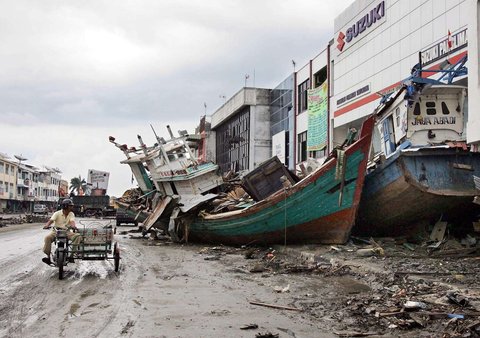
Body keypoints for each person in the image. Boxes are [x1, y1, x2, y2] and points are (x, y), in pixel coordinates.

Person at [42, 198, 81, 265]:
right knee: (47, 238)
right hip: (56, 231)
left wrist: (73, 226)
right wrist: (46, 225)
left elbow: (72, 221)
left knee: (78, 236)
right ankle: (48, 257)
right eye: (70, 206)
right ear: (65, 206)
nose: (71, 207)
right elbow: (51, 220)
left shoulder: (71, 214)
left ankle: (71, 256)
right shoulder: (57, 213)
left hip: (67, 232)